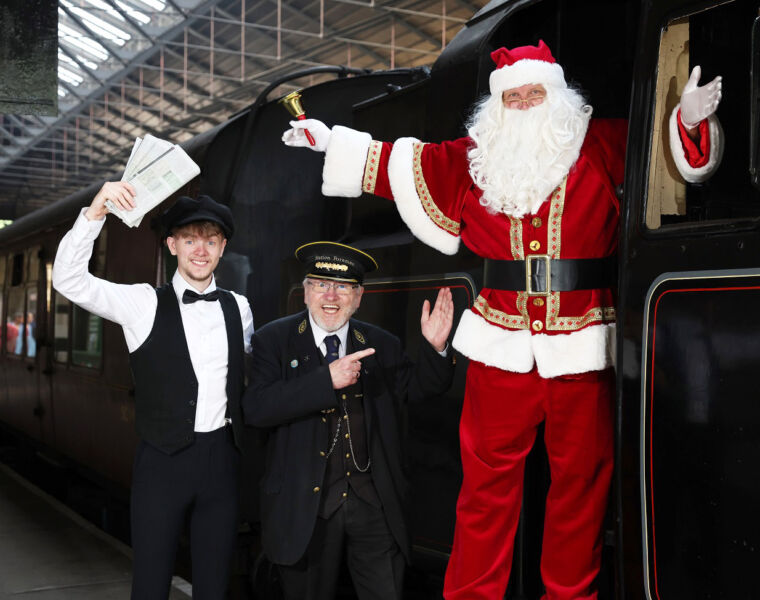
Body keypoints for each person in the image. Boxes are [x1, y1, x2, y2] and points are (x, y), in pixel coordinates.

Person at [281, 41, 723, 599]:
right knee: (485, 491)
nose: (521, 104)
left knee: (581, 490)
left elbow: (663, 153)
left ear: (555, 94)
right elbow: (401, 161)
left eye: (532, 92)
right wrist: (331, 143)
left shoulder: (600, 143)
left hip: (582, 343)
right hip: (500, 346)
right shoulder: (473, 160)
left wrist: (685, 121)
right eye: (511, 97)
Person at [52, 181, 254, 600]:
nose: (201, 249)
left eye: (211, 240)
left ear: (222, 248)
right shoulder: (142, 303)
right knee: (150, 584)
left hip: (222, 464)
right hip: (161, 464)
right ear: (172, 245)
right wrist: (97, 210)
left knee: (215, 587)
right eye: (189, 239)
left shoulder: (239, 307)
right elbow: (69, 281)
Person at [243, 241, 455, 600]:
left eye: (343, 287)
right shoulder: (273, 341)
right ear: (306, 292)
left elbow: (419, 390)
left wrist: (435, 349)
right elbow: (258, 408)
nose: (331, 295)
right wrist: (326, 380)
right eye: (321, 284)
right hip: (306, 509)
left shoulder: (381, 344)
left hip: (373, 505)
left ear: (358, 297)